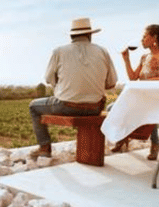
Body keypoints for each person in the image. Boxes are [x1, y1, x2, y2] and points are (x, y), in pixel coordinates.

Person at [28, 17, 117, 159]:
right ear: (90, 35)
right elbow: (111, 83)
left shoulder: (59, 51)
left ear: (71, 36)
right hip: (95, 107)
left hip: (66, 106)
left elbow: (48, 79)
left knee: (33, 106)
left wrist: (62, 86)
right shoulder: (103, 51)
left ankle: (44, 148)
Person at [117, 24, 159, 160]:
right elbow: (133, 77)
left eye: (144, 37)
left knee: (147, 108)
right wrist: (126, 59)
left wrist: (149, 83)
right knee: (111, 107)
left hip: (158, 98)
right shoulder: (144, 58)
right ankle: (124, 137)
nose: (142, 40)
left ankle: (155, 143)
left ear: (154, 37)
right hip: (143, 96)